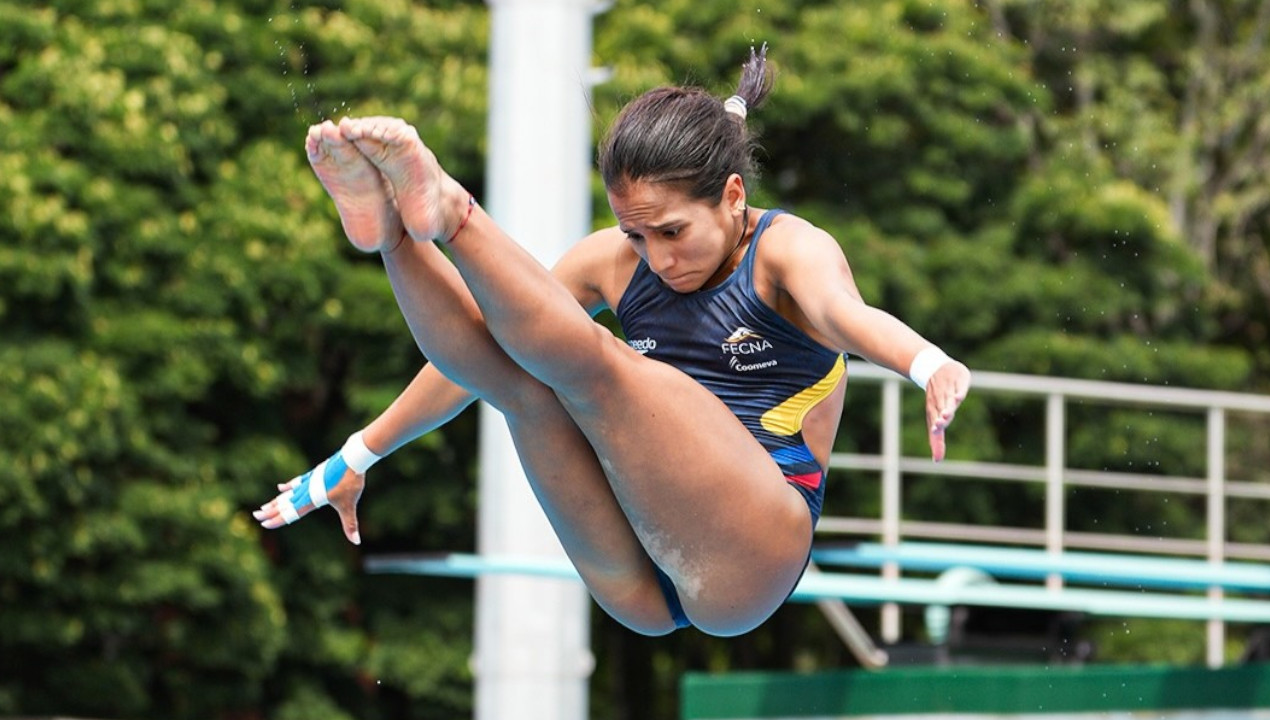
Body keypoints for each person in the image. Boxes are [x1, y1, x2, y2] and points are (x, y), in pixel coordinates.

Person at [253, 47, 971, 637]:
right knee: (523, 385)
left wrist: (926, 362)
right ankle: (392, 234)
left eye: (672, 232)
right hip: (635, 579)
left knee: (600, 367)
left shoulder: (788, 252)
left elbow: (847, 315)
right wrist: (359, 453)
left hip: (748, 558)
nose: (656, 258)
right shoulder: (612, 263)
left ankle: (453, 211)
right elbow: (478, 359)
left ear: (731, 196)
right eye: (635, 233)